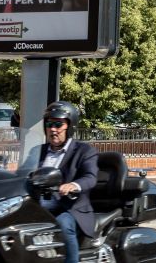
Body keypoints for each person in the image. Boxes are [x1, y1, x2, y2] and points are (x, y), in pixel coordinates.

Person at [36, 100, 98, 263]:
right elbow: (25, 173)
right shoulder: (38, 151)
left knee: (63, 224)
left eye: (58, 124)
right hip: (40, 207)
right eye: (49, 124)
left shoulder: (84, 151)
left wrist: (73, 185)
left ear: (70, 127)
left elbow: (90, 177)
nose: (53, 129)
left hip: (71, 208)